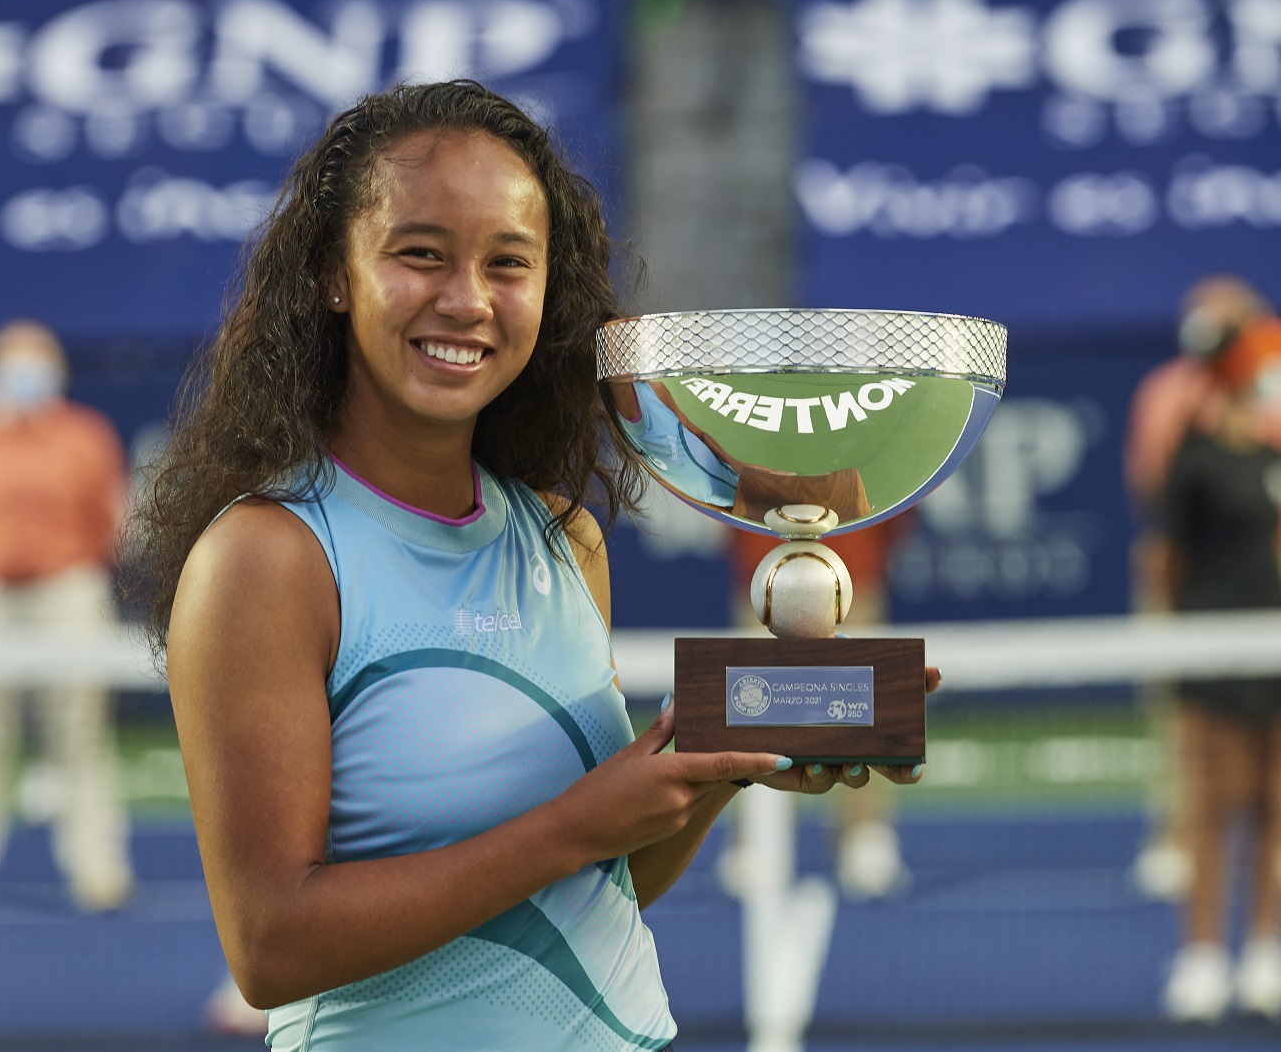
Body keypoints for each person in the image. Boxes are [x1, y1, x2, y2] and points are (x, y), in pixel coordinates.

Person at [132, 80, 930, 1050]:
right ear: (333, 274)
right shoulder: (265, 558)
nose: (466, 300)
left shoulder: (564, 537)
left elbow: (603, 879)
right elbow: (270, 945)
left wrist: (718, 760)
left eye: (508, 263)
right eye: (420, 254)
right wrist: (581, 823)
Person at [0, 320, 133, 914]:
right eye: (9, 363)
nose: (22, 375)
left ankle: (100, 871)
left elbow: (107, 519)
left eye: (34, 363)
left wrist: (59, 564)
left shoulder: (87, 436)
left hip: (66, 596)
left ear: (58, 372)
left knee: (81, 737)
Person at [1125, 278, 1281, 900]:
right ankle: (1175, 836)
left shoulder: (1272, 388)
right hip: (1192, 582)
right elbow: (1158, 494)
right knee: (1187, 725)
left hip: (1266, 585)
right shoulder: (1165, 395)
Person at [1156, 320, 1281, 1022]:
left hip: (1272, 647)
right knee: (1210, 806)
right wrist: (1179, 641)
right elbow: (1168, 561)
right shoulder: (1193, 460)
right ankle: (1201, 956)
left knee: (1272, 804)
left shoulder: (1271, 451)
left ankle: (1265, 953)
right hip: (1210, 649)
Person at [723, 518, 915, 900]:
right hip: (764, 568)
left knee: (861, 704)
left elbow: (900, 497)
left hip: (854, 567)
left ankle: (865, 831)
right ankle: (757, 836)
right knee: (757, 704)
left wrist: (871, 552)